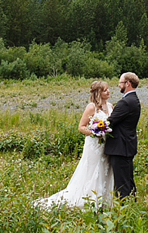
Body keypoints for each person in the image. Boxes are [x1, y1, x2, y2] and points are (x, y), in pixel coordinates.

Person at [34, 80, 114, 208]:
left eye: (108, 89)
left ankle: (103, 199)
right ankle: (88, 199)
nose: (108, 91)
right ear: (98, 93)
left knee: (105, 168)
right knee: (92, 170)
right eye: (105, 90)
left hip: (106, 144)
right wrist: (95, 132)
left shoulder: (110, 106)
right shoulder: (91, 107)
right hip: (94, 145)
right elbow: (81, 127)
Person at [104, 72, 141, 199]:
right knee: (128, 179)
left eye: (120, 83)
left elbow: (110, 122)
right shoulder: (134, 99)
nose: (119, 86)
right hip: (127, 145)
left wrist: (96, 127)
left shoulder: (125, 102)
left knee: (122, 183)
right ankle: (132, 203)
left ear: (128, 84)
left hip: (120, 147)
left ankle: (124, 208)